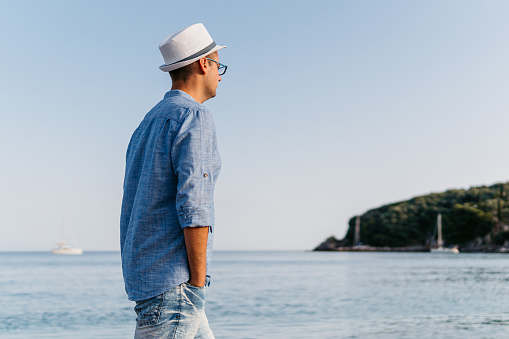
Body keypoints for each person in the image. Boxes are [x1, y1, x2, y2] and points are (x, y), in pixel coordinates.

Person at [120, 23, 226, 339]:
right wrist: (196, 282)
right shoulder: (194, 117)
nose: (220, 74)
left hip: (150, 276)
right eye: (219, 65)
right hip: (176, 284)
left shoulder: (148, 122)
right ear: (203, 63)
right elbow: (195, 205)